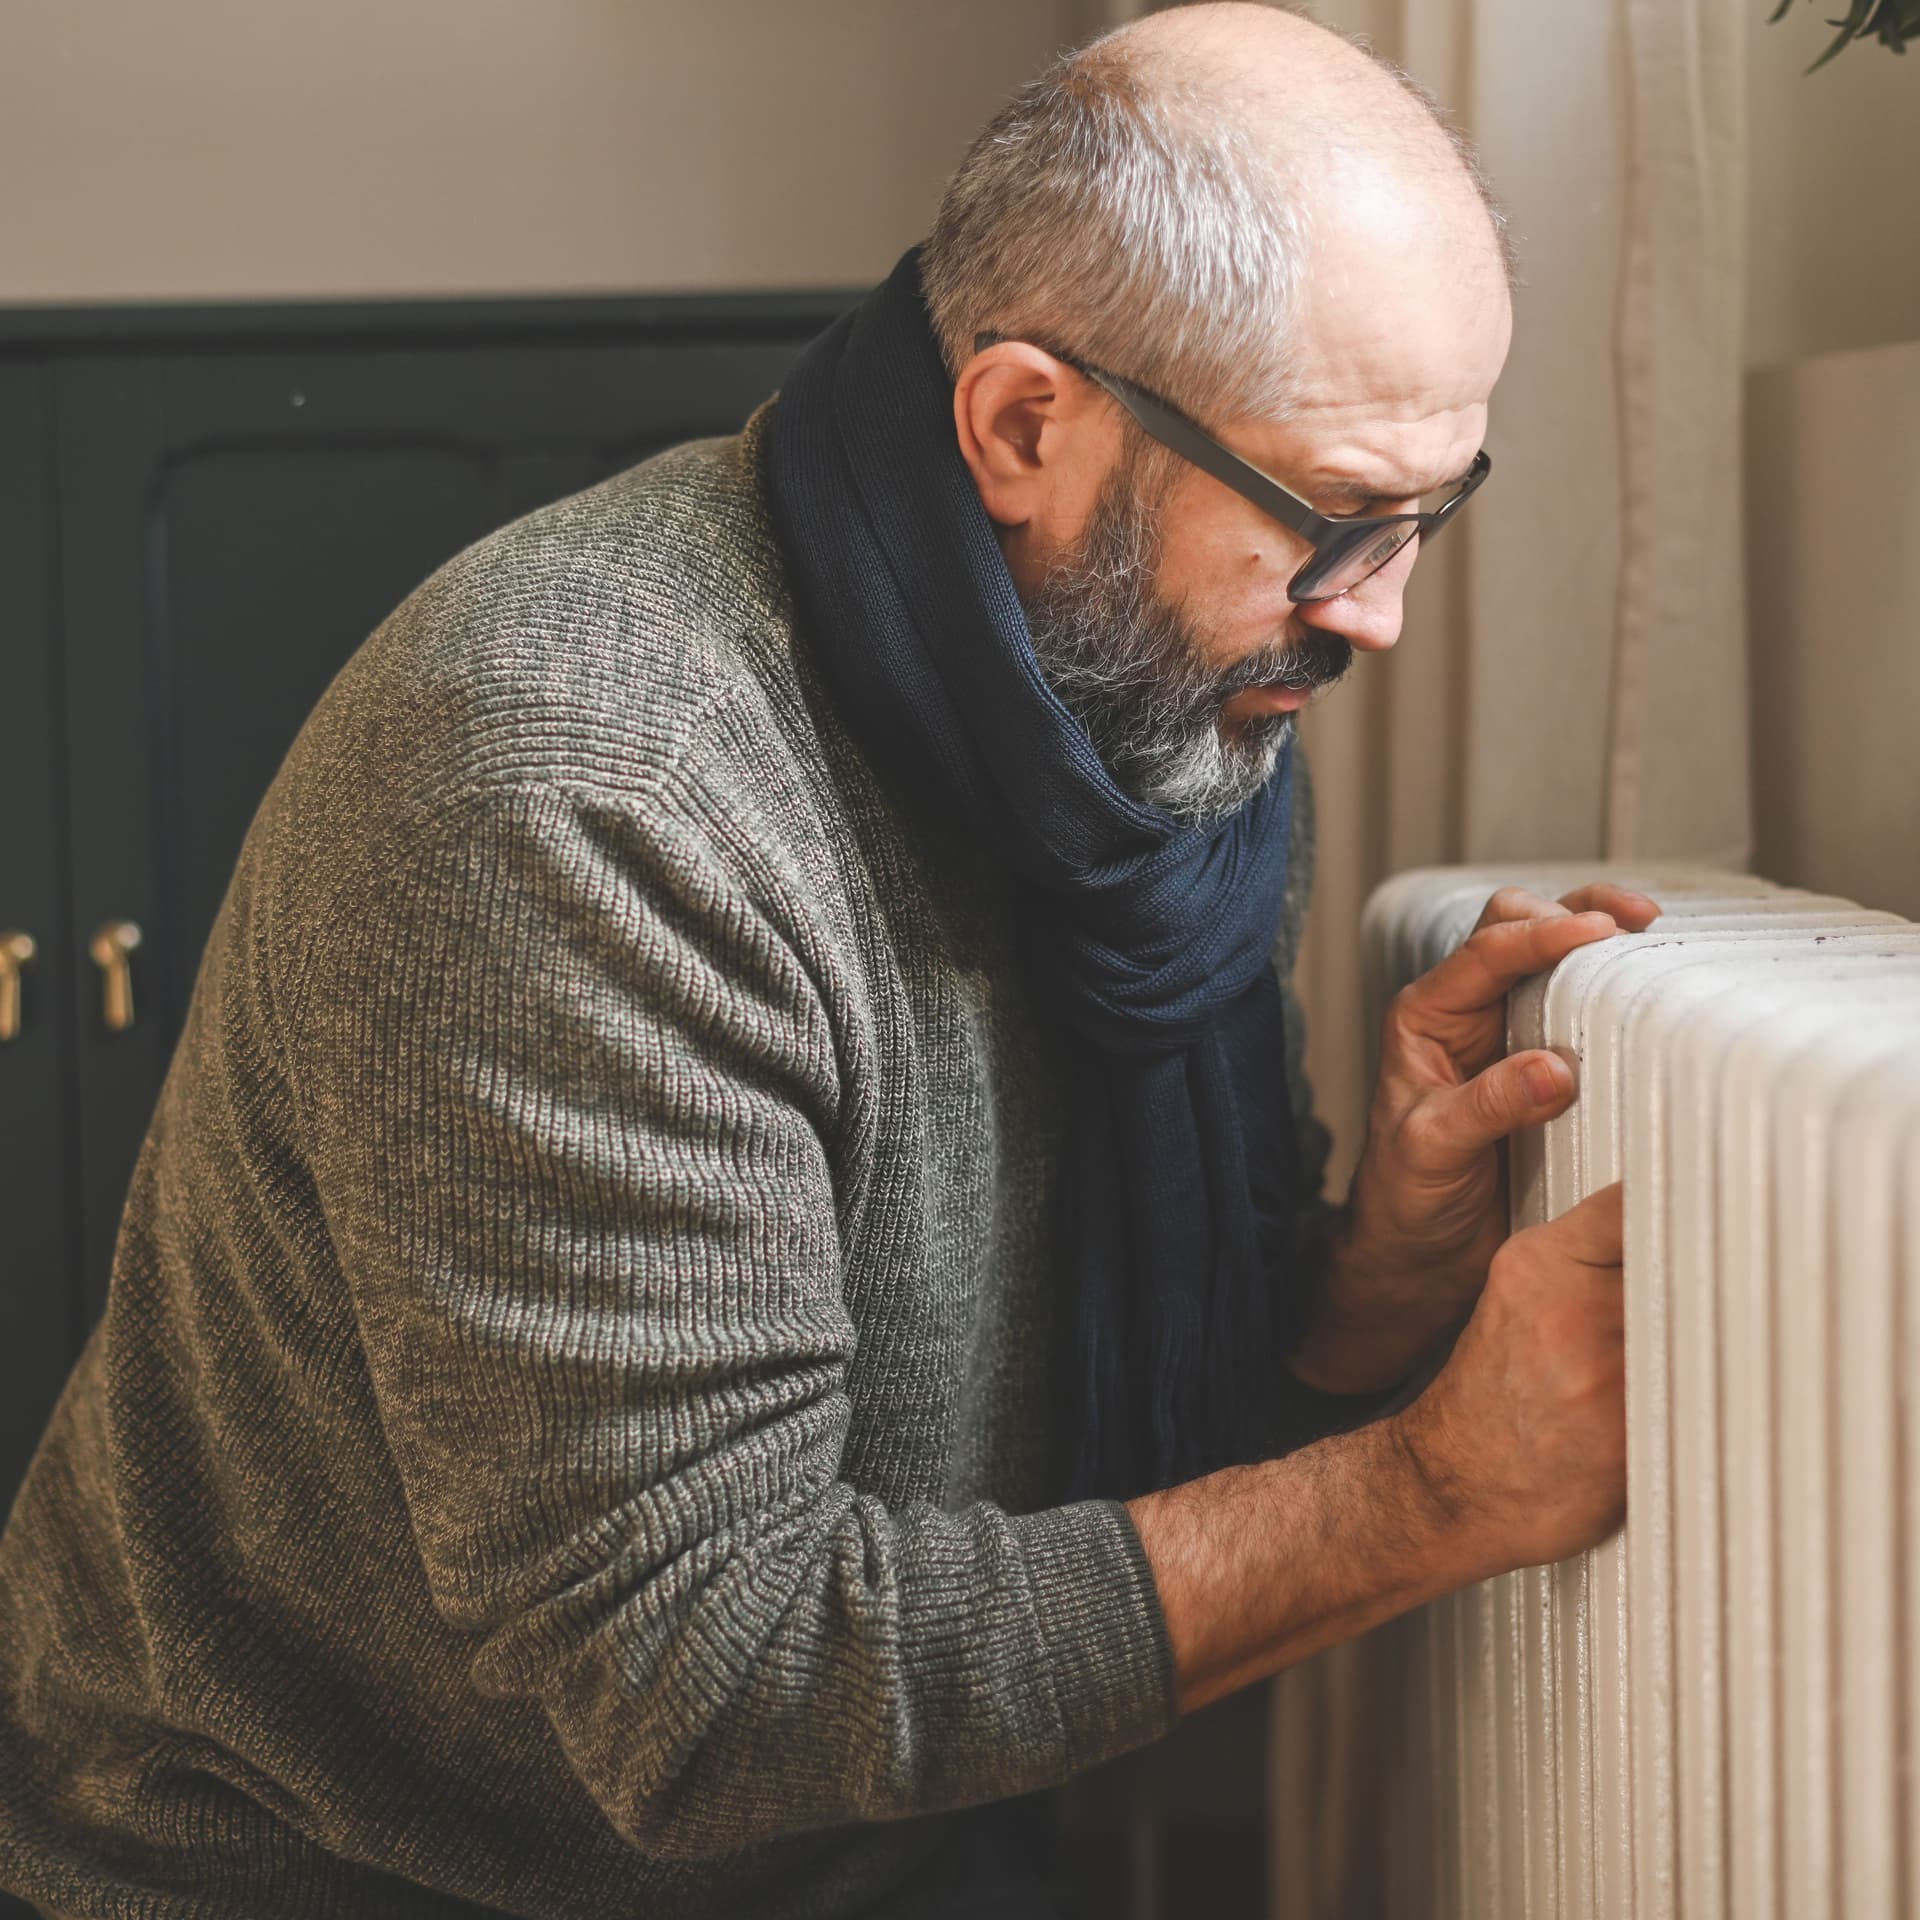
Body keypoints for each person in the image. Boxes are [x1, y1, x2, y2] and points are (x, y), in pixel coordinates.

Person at [0, 6, 1653, 1917]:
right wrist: (1438, 1489)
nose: (1379, 616)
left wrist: (1381, 1277)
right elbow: (704, 1681)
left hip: (862, 1837)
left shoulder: (1156, 719)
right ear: (1026, 424)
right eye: (1337, 520)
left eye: (1435, 511)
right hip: (354, 1871)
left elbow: (1139, 1421)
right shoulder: (584, 784)